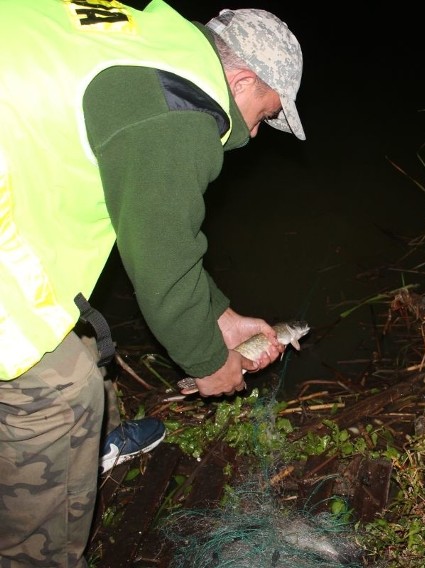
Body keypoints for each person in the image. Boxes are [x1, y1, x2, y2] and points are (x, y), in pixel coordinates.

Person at [0, 1, 306, 566]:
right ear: (240, 80)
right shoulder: (180, 114)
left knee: (81, 343)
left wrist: (221, 317)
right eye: (263, 116)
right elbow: (162, 268)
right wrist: (209, 362)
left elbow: (156, 230)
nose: (256, 134)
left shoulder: (156, 43)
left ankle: (86, 450)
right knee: (60, 390)